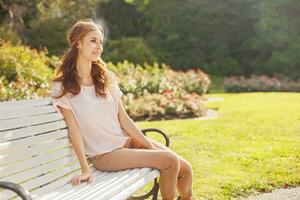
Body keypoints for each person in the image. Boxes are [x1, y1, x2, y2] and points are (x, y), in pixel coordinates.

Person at [51, 19, 193, 200]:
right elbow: (74, 130)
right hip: (106, 155)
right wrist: (85, 169)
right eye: (93, 41)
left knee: (185, 169)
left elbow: (124, 120)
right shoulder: (62, 86)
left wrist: (149, 146)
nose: (99, 46)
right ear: (78, 43)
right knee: (170, 161)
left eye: (101, 42)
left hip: (126, 142)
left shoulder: (106, 78)